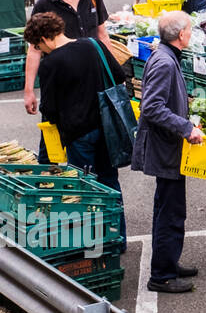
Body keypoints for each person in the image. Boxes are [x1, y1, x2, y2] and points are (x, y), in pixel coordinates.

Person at [133, 11, 205, 294]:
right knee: (170, 212)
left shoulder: (165, 55)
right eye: (189, 28)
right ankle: (161, 275)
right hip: (167, 150)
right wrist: (185, 127)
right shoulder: (164, 61)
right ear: (181, 35)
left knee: (169, 208)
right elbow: (151, 107)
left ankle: (168, 262)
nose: (191, 32)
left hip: (168, 148)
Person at [25, 11, 128, 203]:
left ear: (44, 39)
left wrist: (46, 155)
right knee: (110, 184)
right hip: (107, 129)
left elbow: (49, 109)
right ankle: (117, 231)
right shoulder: (93, 44)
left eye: (39, 46)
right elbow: (119, 76)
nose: (42, 51)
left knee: (85, 188)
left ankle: (95, 230)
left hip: (79, 135)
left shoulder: (51, 64)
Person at [24, 0, 110, 118]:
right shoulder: (45, 4)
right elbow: (34, 50)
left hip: (93, 75)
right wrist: (29, 91)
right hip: (62, 81)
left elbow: (103, 35)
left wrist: (112, 71)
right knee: (56, 127)